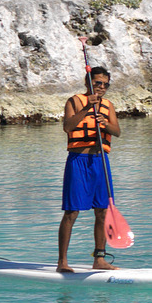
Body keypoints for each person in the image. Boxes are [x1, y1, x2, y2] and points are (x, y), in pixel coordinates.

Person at [53, 63, 118, 275]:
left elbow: (117, 131)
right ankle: (62, 261)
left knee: (103, 211)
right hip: (78, 160)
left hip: (100, 161)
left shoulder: (108, 105)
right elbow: (68, 127)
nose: (101, 87)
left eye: (105, 85)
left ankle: (99, 258)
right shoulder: (74, 101)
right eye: (97, 83)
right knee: (72, 212)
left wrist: (104, 124)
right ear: (88, 82)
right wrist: (87, 109)